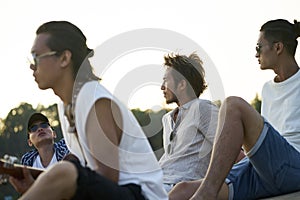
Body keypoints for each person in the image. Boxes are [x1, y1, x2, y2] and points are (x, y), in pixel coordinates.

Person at [10, 20, 167, 200]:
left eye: (36, 56)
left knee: (63, 170)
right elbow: (88, 178)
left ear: (64, 58)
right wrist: (41, 186)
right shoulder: (65, 105)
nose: (32, 65)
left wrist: (53, 187)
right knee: (63, 170)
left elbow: (107, 178)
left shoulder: (94, 100)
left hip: (141, 195)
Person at [169, 19, 300, 200]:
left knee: (232, 105)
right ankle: (206, 190)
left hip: (294, 166)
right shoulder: (267, 89)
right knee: (181, 192)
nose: (256, 54)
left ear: (278, 48)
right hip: (264, 169)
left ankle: (207, 192)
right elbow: (262, 137)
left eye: (258, 47)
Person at [158, 52, 219, 193]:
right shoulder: (167, 119)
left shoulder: (202, 109)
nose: (162, 87)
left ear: (182, 84)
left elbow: (231, 150)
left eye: (166, 80)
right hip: (158, 183)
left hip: (180, 186)